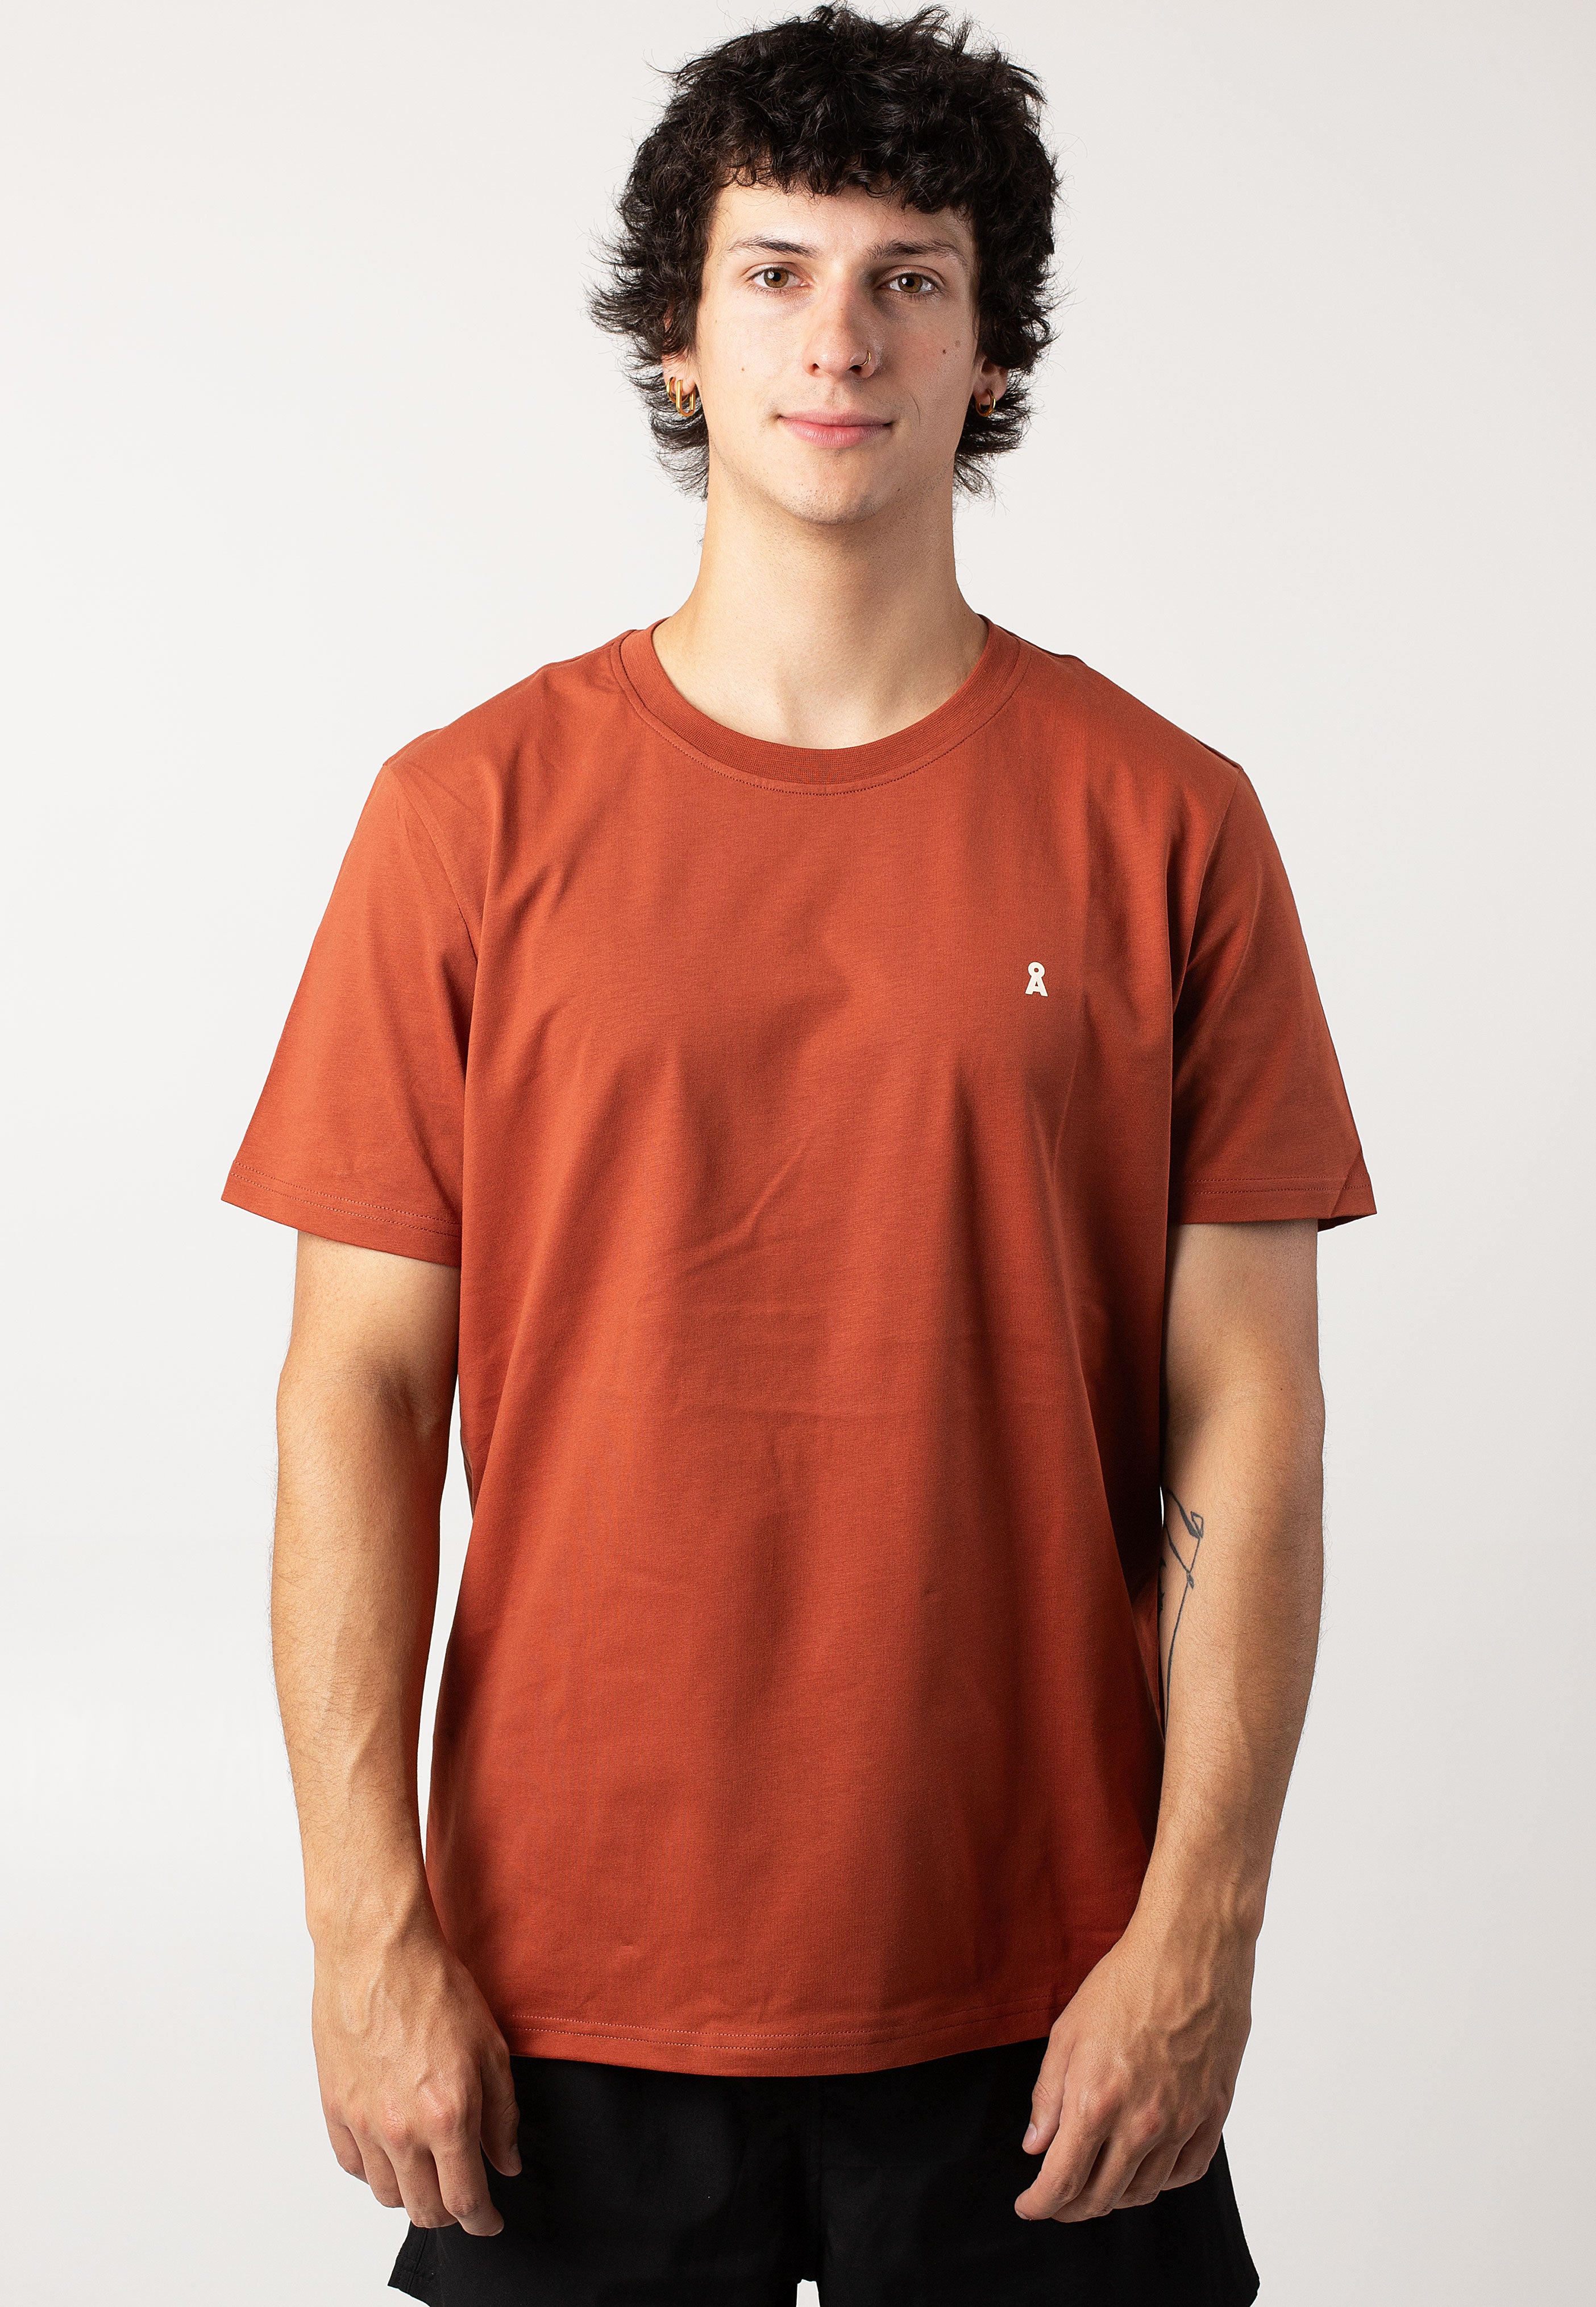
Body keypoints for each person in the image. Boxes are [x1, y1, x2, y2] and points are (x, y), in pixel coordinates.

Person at [223, 7, 1374, 2301]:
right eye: (773, 274)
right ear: (679, 338)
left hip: (1050, 1981)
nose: (838, 339)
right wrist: (367, 1932)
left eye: (907, 278)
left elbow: (1252, 1412)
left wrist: (1201, 1933)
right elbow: (357, 1389)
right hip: (563, 1986)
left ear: (989, 349)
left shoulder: (1170, 822)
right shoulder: (465, 817)